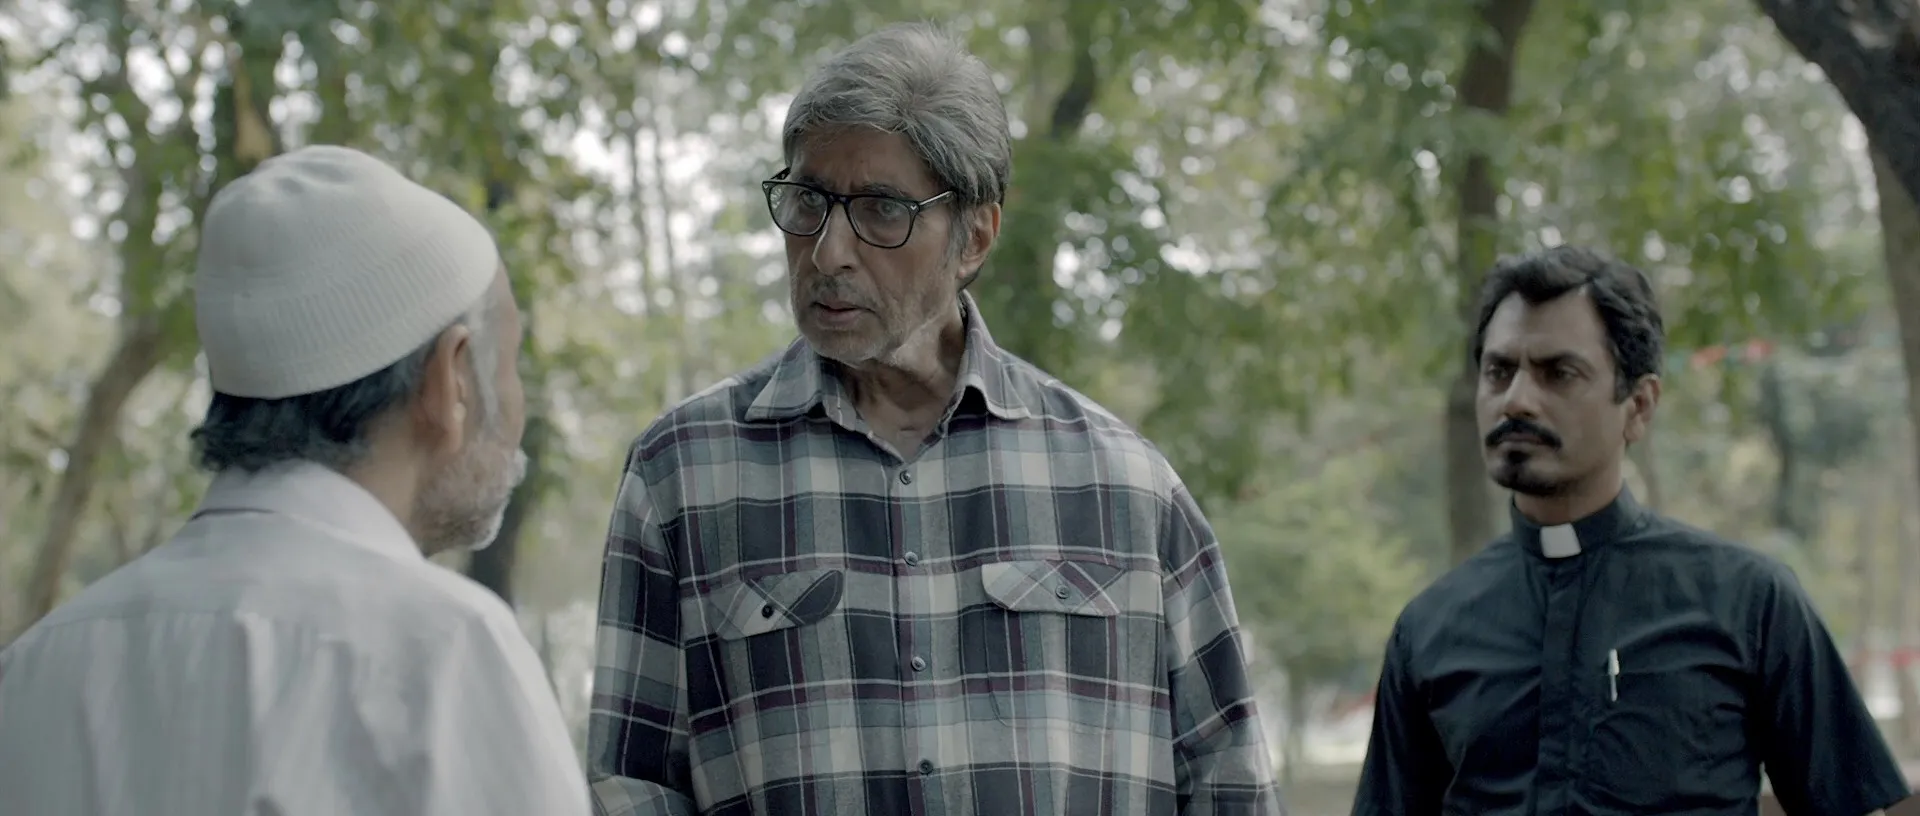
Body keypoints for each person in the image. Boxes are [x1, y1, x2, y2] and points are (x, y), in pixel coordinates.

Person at [586, 22, 1282, 816]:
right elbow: (631, 787)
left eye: (881, 210)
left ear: (974, 237)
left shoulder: (1128, 488)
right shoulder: (682, 473)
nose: (828, 252)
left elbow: (1230, 783)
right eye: (809, 201)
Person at [0, 145, 591, 816]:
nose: (517, 405)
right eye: (509, 363)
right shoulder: (445, 651)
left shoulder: (34, 666)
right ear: (450, 379)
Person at [1350, 245, 1910, 816]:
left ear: (1638, 406)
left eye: (1558, 373)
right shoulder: (1430, 629)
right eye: (1499, 371)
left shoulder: (1749, 602)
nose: (1516, 400)